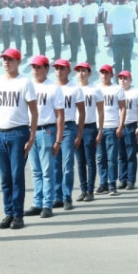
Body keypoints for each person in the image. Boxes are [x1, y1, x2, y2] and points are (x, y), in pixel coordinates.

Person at [0, 47, 36, 228]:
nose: (6, 62)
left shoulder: (24, 82)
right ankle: (8, 213)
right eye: (4, 59)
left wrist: (31, 136)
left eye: (10, 59)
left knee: (16, 176)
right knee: (5, 178)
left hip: (18, 133)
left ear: (18, 61)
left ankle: (18, 215)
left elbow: (34, 111)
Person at [28, 55, 64, 217]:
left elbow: (60, 115)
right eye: (33, 67)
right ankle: (37, 203)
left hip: (46, 131)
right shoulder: (28, 86)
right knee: (35, 170)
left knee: (47, 170)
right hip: (30, 131)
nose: (36, 70)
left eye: (39, 67)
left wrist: (58, 140)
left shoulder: (53, 88)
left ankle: (47, 204)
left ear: (46, 68)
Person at [52, 58, 84, 208]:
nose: (59, 71)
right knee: (55, 165)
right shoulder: (51, 88)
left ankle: (67, 197)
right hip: (53, 128)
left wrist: (79, 134)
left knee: (68, 165)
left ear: (68, 71)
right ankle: (57, 196)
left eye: (62, 68)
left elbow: (82, 112)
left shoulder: (74, 89)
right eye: (56, 68)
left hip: (69, 128)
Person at [74, 62, 103, 203]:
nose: (81, 74)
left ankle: (90, 191)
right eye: (78, 71)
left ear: (89, 73)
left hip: (90, 128)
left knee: (90, 161)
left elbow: (100, 111)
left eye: (84, 71)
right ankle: (83, 190)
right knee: (80, 162)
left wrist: (100, 130)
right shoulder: (73, 89)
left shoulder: (95, 90)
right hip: (75, 128)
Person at [96, 64, 126, 196]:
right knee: (100, 158)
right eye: (102, 73)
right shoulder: (96, 88)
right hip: (98, 128)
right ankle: (103, 184)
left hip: (112, 127)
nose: (104, 75)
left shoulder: (117, 89)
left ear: (111, 75)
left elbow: (123, 108)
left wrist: (120, 126)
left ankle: (112, 185)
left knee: (112, 158)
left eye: (106, 73)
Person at [116, 71, 138, 190]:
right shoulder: (116, 91)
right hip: (118, 127)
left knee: (131, 155)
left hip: (131, 126)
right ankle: (122, 179)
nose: (123, 81)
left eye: (125, 78)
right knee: (121, 155)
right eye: (120, 78)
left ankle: (131, 180)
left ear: (130, 80)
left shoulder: (136, 92)